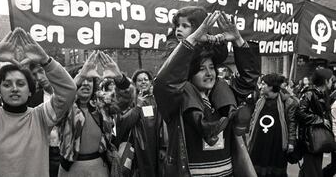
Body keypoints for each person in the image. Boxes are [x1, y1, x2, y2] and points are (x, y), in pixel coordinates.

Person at [0, 27, 77, 177]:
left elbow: (68, 91)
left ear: (30, 90)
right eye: (7, 84)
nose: (14, 89)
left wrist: (46, 61)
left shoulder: (41, 117)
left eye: (21, 84)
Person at [154, 9, 261, 177]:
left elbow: (250, 78)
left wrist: (238, 40)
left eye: (212, 68)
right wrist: (193, 39)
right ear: (190, 72)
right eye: (202, 69)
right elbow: (163, 82)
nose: (209, 73)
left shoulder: (224, 94)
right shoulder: (176, 99)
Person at [58, 50, 129, 177]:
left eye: (90, 80)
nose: (85, 84)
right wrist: (78, 78)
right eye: (82, 80)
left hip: (99, 167)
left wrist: (120, 78)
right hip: (71, 169)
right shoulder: (64, 107)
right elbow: (62, 97)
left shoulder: (103, 104)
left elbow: (126, 100)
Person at [114, 69, 167, 177]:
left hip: (153, 146)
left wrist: (163, 146)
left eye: (146, 79)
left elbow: (162, 124)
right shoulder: (129, 101)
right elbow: (124, 124)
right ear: (135, 83)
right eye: (139, 80)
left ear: (150, 82)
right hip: (135, 148)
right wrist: (138, 106)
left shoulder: (156, 100)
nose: (143, 82)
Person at [247, 73, 298, 177]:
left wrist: (291, 141)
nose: (261, 86)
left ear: (271, 86)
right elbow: (253, 120)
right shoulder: (260, 101)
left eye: (264, 84)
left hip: (277, 144)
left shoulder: (287, 102)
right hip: (258, 143)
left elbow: (292, 123)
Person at [296, 68, 334, 177]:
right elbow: (300, 113)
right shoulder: (309, 93)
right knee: (312, 170)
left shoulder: (323, 94)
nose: (332, 82)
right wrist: (320, 120)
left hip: (319, 139)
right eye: (330, 80)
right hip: (310, 140)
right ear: (325, 81)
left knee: (310, 169)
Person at [29, 62, 59, 177]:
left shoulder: (67, 94)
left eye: (41, 71)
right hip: (44, 153)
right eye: (35, 74)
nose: (39, 78)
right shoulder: (34, 98)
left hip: (67, 153)